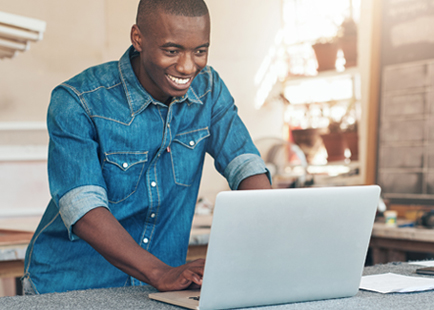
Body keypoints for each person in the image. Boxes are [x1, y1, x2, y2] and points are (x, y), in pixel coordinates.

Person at [23, 0, 271, 295]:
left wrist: (266, 236)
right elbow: (83, 208)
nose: (187, 66)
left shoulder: (209, 90)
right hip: (71, 287)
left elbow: (246, 166)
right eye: (172, 50)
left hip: (160, 291)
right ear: (138, 38)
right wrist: (160, 272)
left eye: (200, 51)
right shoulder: (77, 100)